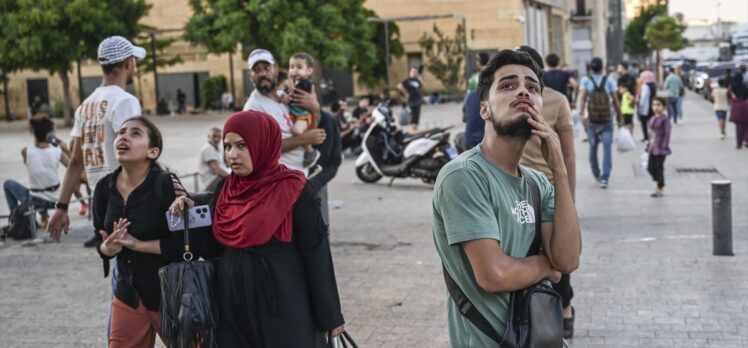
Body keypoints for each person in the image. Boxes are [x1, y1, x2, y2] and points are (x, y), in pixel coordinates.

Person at [432, 49, 581, 347]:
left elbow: (567, 259)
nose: (523, 91)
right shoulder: (463, 176)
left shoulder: (539, 183)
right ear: (484, 109)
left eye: (532, 87)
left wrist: (559, 172)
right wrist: (547, 267)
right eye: (508, 85)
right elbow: (495, 275)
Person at [171, 111, 345, 346]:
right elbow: (213, 244)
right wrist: (188, 213)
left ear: (263, 143)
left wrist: (330, 315)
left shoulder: (294, 189)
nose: (232, 155)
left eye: (242, 145)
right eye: (227, 146)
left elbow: (315, 252)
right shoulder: (227, 188)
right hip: (231, 309)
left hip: (282, 307)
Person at [93, 117, 196, 347]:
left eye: (135, 133)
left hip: (172, 294)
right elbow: (100, 243)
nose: (124, 137)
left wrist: (136, 244)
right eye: (121, 132)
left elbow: (187, 244)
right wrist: (107, 249)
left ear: (153, 151)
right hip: (128, 296)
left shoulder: (167, 184)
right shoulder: (103, 188)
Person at [46, 36, 146, 244]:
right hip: (130, 197)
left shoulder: (85, 106)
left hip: (101, 201)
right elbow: (136, 152)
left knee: (120, 261)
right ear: (128, 63)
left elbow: (75, 160)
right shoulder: (125, 101)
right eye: (134, 61)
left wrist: (61, 207)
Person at [516, 45, 578, 339]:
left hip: (549, 189)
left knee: (558, 254)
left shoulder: (557, 102)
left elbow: (568, 154)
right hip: (517, 190)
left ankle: (565, 306)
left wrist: (570, 199)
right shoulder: (510, 102)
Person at [242, 48, 326, 176]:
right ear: (250, 76)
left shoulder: (288, 97)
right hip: (278, 181)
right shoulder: (253, 109)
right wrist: (303, 139)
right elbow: (261, 151)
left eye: (266, 68)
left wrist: (315, 110)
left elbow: (310, 125)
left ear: (276, 70)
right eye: (257, 70)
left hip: (301, 175)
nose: (262, 73)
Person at [3, 116, 70, 227]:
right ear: (50, 134)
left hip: (35, 201)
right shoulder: (57, 151)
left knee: (8, 184)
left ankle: (17, 217)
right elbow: (72, 166)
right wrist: (66, 149)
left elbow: (34, 167)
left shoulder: (26, 152)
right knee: (42, 187)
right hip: (56, 199)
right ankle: (43, 216)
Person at [579, 57, 621, 188]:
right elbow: (615, 99)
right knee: (607, 149)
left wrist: (581, 115)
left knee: (593, 148)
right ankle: (605, 177)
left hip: (592, 120)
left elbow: (583, 98)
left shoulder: (586, 80)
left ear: (590, 68)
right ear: (603, 68)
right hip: (607, 120)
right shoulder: (609, 80)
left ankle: (596, 174)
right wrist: (620, 116)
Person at [288, 52, 322, 169]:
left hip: (304, 115)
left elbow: (291, 93)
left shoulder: (305, 83)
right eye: (292, 67)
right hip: (297, 114)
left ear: (309, 71)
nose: (294, 70)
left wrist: (289, 79)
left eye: (299, 67)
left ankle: (310, 151)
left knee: (296, 131)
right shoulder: (298, 83)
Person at [646, 97, 672, 197]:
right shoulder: (652, 118)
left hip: (661, 148)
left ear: (664, 107)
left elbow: (667, 134)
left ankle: (659, 187)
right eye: (654, 105)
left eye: (658, 105)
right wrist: (648, 145)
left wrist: (664, 146)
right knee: (650, 168)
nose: (656, 107)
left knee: (659, 167)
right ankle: (659, 182)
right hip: (652, 147)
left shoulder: (665, 120)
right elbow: (650, 133)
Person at [198, 127, 229, 192]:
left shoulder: (215, 148)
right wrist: (231, 178)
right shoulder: (208, 148)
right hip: (211, 182)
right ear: (209, 136)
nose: (216, 139)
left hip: (216, 179)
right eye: (214, 136)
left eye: (219, 137)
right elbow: (216, 169)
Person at [398, 67, 424, 131]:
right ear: (410, 72)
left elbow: (423, 86)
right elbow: (399, 86)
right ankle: (412, 130)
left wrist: (419, 78)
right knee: (413, 116)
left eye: (416, 72)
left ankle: (414, 129)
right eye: (414, 72)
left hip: (418, 100)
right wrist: (406, 93)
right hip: (411, 101)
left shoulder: (417, 80)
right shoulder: (407, 80)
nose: (415, 73)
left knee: (416, 117)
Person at [728, 73, 748, 149]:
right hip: (745, 106)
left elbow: (728, 95)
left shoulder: (732, 87)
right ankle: (746, 140)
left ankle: (739, 144)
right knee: (747, 125)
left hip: (736, 107)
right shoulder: (744, 86)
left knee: (738, 127)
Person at [636, 70, 656, 142]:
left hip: (645, 108)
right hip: (652, 106)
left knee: (644, 123)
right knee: (651, 123)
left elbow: (644, 97)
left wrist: (640, 107)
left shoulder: (645, 86)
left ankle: (646, 137)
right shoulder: (653, 85)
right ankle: (653, 137)